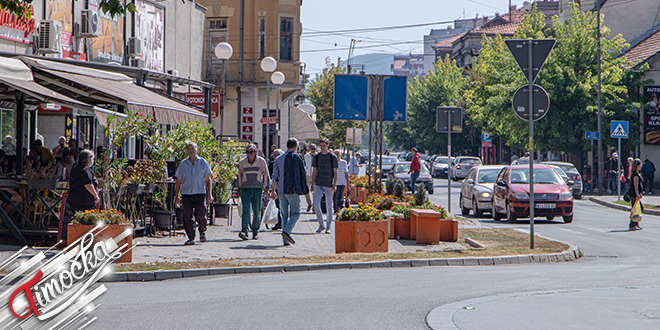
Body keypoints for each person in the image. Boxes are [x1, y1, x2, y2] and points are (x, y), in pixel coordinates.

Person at [174, 142, 213, 245]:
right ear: (187, 151)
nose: (191, 150)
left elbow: (208, 179)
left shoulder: (203, 162)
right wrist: (177, 195)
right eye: (189, 148)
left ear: (197, 150)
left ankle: (202, 232)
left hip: (200, 192)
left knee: (201, 214)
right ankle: (191, 237)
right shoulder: (183, 164)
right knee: (187, 216)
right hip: (187, 193)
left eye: (193, 148)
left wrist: (209, 194)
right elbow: (178, 180)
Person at [270, 138, 308, 246]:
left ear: (286, 146)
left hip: (281, 190)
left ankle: (285, 241)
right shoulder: (298, 158)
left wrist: (273, 190)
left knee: (284, 214)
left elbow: (274, 176)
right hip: (293, 190)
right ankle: (286, 231)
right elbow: (304, 172)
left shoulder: (278, 159)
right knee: (296, 213)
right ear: (296, 147)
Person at [236, 144, 270, 240]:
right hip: (246, 189)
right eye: (247, 152)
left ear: (255, 152)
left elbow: (266, 174)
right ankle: (244, 231)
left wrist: (267, 187)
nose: (249, 154)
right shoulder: (242, 163)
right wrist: (239, 188)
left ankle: (255, 232)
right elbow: (239, 176)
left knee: (256, 210)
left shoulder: (261, 161)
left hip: (257, 188)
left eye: (251, 152)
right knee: (245, 210)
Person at [311, 138, 338, 234]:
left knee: (329, 206)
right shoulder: (316, 157)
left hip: (329, 184)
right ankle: (321, 224)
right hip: (318, 183)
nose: (322, 147)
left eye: (323, 145)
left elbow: (335, 172)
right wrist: (312, 183)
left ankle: (328, 227)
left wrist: (334, 185)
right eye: (320, 145)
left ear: (327, 145)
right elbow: (314, 171)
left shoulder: (332, 157)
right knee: (316, 204)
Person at [268, 149, 284, 231]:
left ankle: (282, 222)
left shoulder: (283, 164)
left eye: (275, 155)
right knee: (276, 205)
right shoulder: (271, 165)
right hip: (274, 187)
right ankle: (279, 222)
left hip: (281, 187)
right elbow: (269, 176)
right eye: (273, 155)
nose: (273, 157)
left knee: (282, 205)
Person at [627, 158, 643, 230]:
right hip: (633, 194)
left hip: (635, 193)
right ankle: (633, 223)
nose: (641, 165)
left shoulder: (636, 173)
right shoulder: (635, 174)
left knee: (637, 208)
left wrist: (639, 193)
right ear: (637, 165)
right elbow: (635, 185)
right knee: (636, 209)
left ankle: (636, 223)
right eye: (640, 164)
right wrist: (637, 194)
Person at [333, 150, 349, 214]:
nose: (336, 155)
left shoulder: (343, 163)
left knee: (340, 197)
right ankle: (336, 209)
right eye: (335, 154)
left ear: (340, 155)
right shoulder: (332, 163)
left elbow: (346, 174)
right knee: (335, 198)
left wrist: (348, 184)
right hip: (334, 183)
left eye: (338, 154)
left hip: (342, 183)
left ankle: (338, 210)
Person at [303, 143, 316, 212]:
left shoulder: (318, 156)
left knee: (315, 192)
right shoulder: (306, 156)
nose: (313, 150)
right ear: (309, 149)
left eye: (314, 149)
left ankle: (314, 206)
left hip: (316, 176)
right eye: (312, 148)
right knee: (306, 191)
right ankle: (309, 203)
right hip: (307, 175)